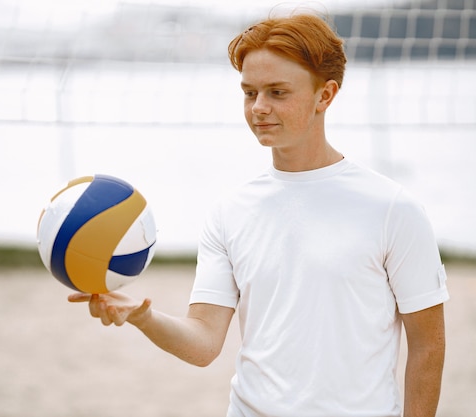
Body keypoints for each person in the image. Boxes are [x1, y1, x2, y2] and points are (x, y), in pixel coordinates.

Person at [69, 11, 449, 417]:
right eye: (250, 93)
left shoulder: (393, 208)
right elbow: (203, 344)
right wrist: (143, 317)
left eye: (277, 92)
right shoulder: (229, 212)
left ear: (326, 95)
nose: (259, 108)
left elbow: (427, 347)